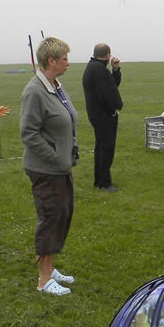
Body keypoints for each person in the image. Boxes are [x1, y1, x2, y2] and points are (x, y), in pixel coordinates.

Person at [20, 37, 78, 296]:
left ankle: (50, 268)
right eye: (64, 58)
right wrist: (55, 157)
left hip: (61, 167)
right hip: (45, 169)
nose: (68, 62)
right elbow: (28, 134)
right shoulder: (34, 91)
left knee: (62, 215)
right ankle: (43, 280)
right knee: (50, 217)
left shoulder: (56, 86)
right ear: (51, 61)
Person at [82, 43, 123, 192]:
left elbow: (111, 85)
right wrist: (113, 109)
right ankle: (104, 183)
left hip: (97, 114)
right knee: (106, 148)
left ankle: (100, 180)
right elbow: (105, 94)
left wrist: (115, 70)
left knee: (101, 147)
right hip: (103, 115)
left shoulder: (95, 67)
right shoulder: (98, 70)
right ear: (107, 55)